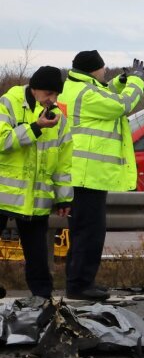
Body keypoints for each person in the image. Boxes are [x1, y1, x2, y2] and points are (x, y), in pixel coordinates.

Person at [58, 50, 144, 301]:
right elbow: (121, 105)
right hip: (88, 176)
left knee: (82, 232)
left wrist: (121, 81)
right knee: (89, 233)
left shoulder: (76, 87)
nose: (105, 71)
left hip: (81, 175)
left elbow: (105, 93)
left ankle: (78, 282)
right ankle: (80, 286)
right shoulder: (87, 94)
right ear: (92, 70)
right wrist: (137, 80)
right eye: (103, 68)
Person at [0, 66, 74, 302]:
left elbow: (64, 162)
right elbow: (2, 141)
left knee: (37, 253)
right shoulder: (9, 103)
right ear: (33, 89)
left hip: (36, 197)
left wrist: (64, 197)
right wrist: (35, 128)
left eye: (55, 95)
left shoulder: (58, 119)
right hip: (3, 191)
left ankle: (42, 298)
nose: (52, 99)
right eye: (48, 93)